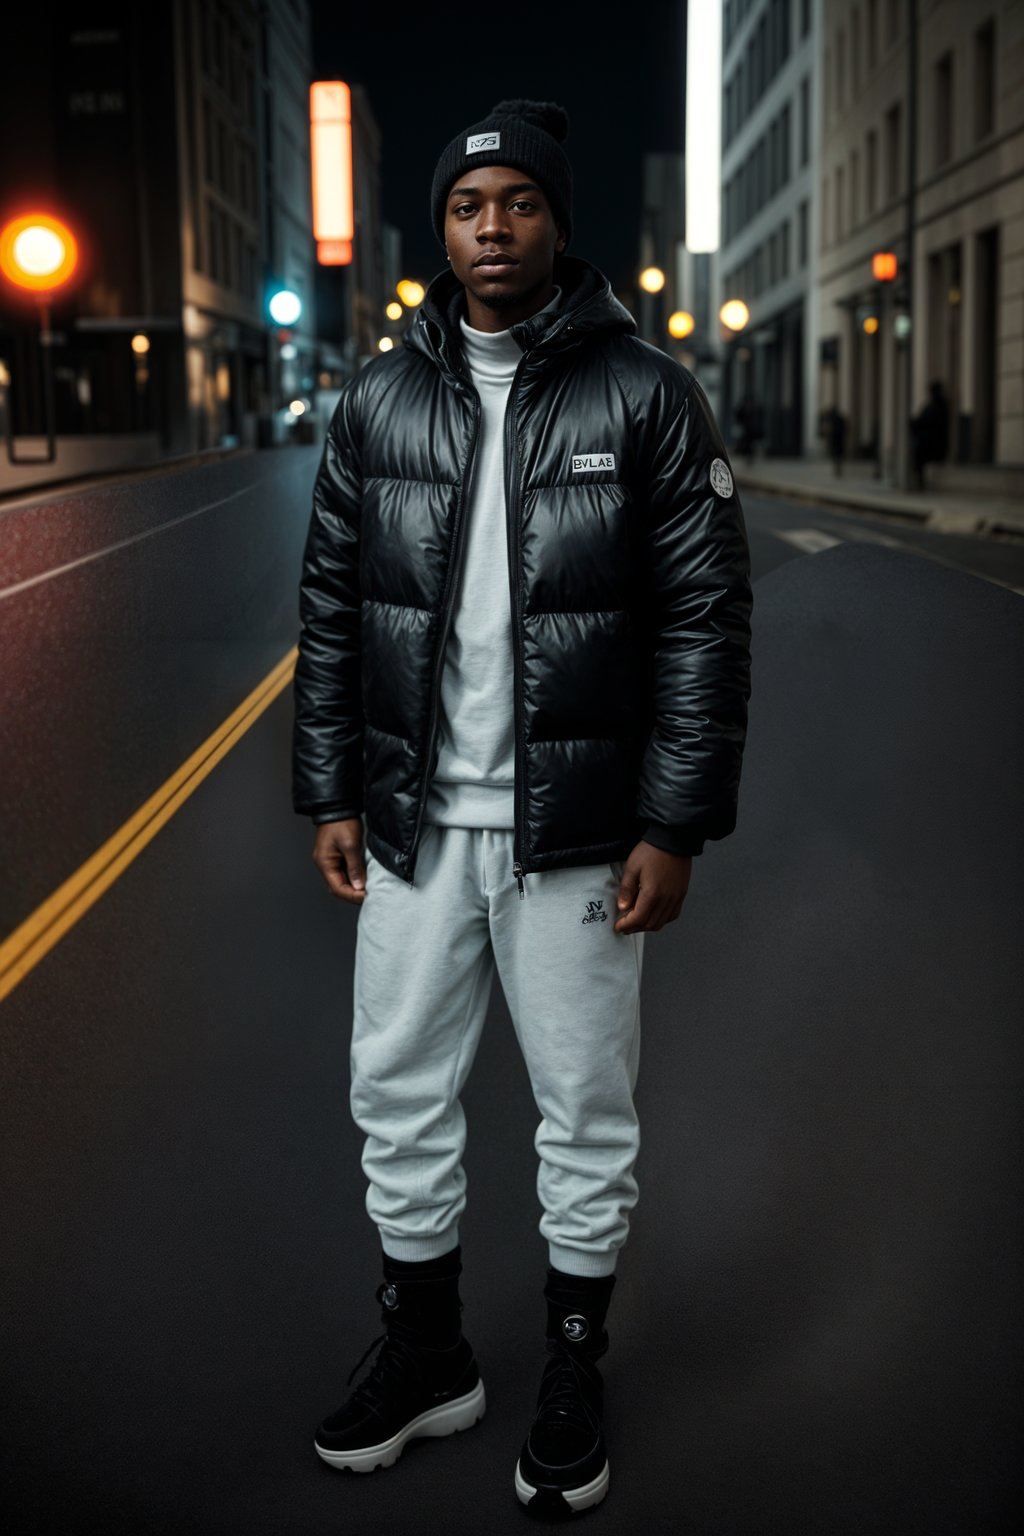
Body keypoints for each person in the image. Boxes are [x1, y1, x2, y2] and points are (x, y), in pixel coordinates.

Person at [291, 98, 753, 1516]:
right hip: (420, 825)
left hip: (576, 836)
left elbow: (705, 620)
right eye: (466, 207)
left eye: (520, 205)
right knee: (398, 1092)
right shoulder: (379, 400)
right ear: (442, 232)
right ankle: (430, 1353)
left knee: (581, 1109)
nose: (492, 228)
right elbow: (328, 612)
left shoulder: (647, 394)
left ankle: (570, 1359)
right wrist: (332, 790)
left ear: (558, 222)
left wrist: (672, 823)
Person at [910, 380, 950, 490]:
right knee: (916, 452)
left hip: (933, 444)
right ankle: (918, 480)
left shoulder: (938, 406)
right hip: (929, 441)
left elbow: (927, 422)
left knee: (918, 453)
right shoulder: (932, 405)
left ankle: (919, 482)